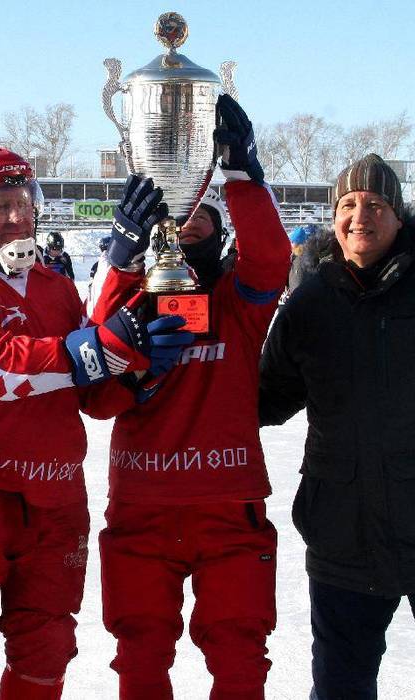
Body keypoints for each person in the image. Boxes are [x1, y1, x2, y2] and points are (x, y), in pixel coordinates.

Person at [0, 147, 193, 700]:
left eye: (24, 201)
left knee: (46, 651)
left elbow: (91, 397)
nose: (17, 217)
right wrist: (111, 347)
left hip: (55, 502)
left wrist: (138, 375)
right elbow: (0, 371)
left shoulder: (56, 287)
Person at [86, 95, 291, 699]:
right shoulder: (128, 298)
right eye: (178, 207)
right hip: (143, 505)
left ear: (221, 226)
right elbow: (92, 387)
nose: (189, 215)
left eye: (203, 206)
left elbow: (271, 258)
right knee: (141, 657)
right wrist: (122, 256)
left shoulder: (238, 302)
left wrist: (242, 175)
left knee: (240, 659)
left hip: (228, 505)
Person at [259, 153, 414, 700]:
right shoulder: (311, 303)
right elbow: (266, 398)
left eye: (375, 204)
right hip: (343, 529)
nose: (359, 215)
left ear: (398, 215)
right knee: (342, 684)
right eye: (347, 204)